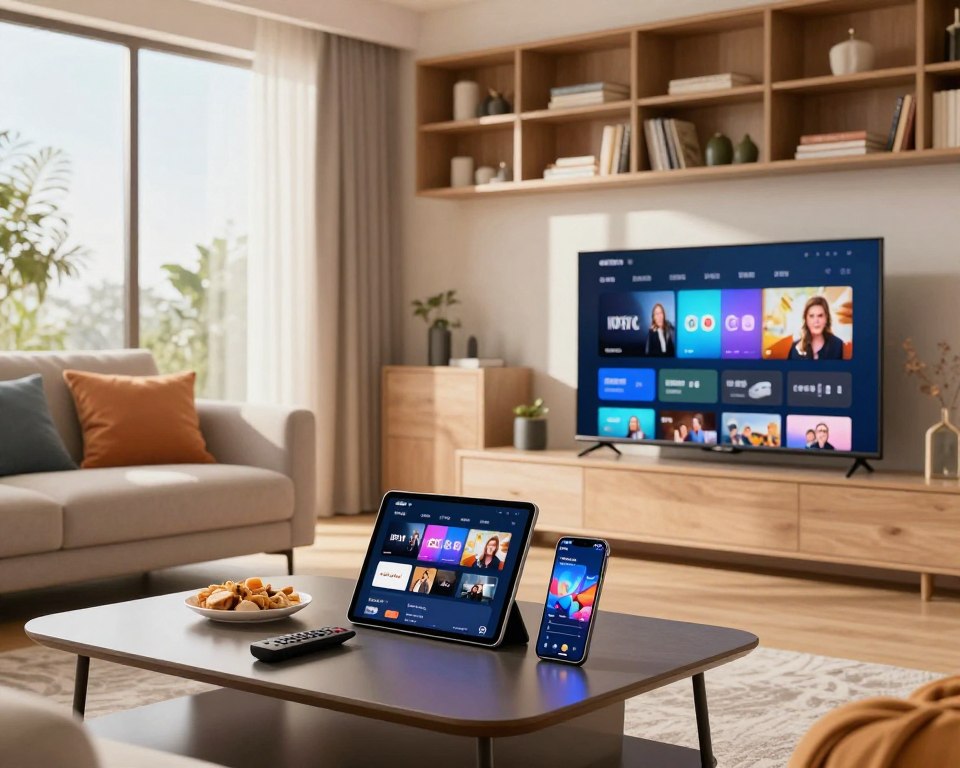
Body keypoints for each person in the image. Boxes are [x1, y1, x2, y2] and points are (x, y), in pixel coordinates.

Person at [788, 296, 844, 361]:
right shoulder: (795, 347)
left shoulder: (837, 345)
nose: (816, 321)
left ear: (826, 318)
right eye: (811, 316)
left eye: (820, 316)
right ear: (806, 319)